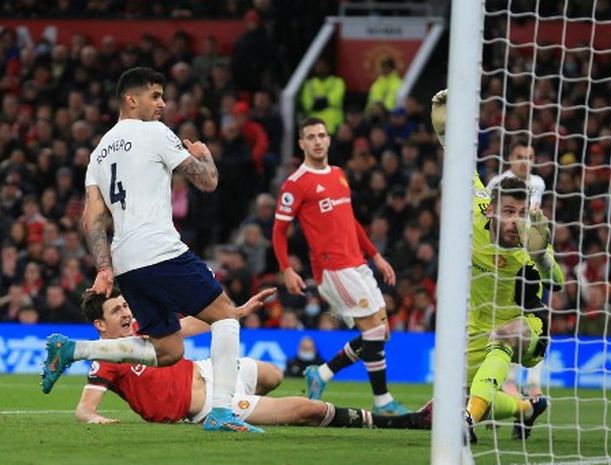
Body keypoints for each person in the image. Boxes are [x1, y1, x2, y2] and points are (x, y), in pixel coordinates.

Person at [41, 67, 274, 434]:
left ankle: (75, 350)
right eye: (155, 96)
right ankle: (222, 412)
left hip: (127, 263)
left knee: (168, 352)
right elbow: (208, 182)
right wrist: (204, 155)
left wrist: (104, 268)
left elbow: (92, 219)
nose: (163, 103)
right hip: (161, 250)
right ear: (131, 100)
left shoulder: (99, 152)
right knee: (226, 315)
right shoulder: (154, 133)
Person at [76, 289, 432, 431]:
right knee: (303, 410)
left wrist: (236, 311)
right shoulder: (106, 360)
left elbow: (186, 326)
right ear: (99, 325)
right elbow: (85, 409)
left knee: (274, 374)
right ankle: (402, 423)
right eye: (116, 310)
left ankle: (257, 403)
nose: (125, 312)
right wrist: (97, 420)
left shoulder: (140, 329)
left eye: (124, 305)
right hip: (205, 404)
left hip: (208, 370)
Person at [431, 92, 563, 443]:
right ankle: (526, 409)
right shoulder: (474, 209)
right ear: (490, 210)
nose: (515, 221)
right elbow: (460, 164)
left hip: (527, 327)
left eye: (520, 214)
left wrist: (541, 256)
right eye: (508, 212)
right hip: (477, 324)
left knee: (502, 337)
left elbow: (558, 282)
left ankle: (465, 423)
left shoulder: (529, 240)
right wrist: (446, 134)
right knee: (460, 395)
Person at [272, 117, 408, 415]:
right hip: (332, 268)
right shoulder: (295, 184)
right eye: (311, 136)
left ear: (329, 140)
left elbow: (351, 222)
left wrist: (376, 256)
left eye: (322, 135)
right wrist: (286, 268)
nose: (318, 141)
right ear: (302, 143)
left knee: (380, 331)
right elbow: (279, 230)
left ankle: (321, 374)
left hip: (357, 263)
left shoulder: (338, 174)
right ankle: (383, 401)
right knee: (373, 329)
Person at [486, 137, 547, 396]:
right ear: (510, 158)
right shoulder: (496, 184)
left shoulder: (538, 183)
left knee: (535, 316)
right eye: (521, 156)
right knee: (506, 317)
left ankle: (534, 385)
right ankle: (508, 381)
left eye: (531, 157)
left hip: (529, 258)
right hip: (502, 259)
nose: (526, 162)